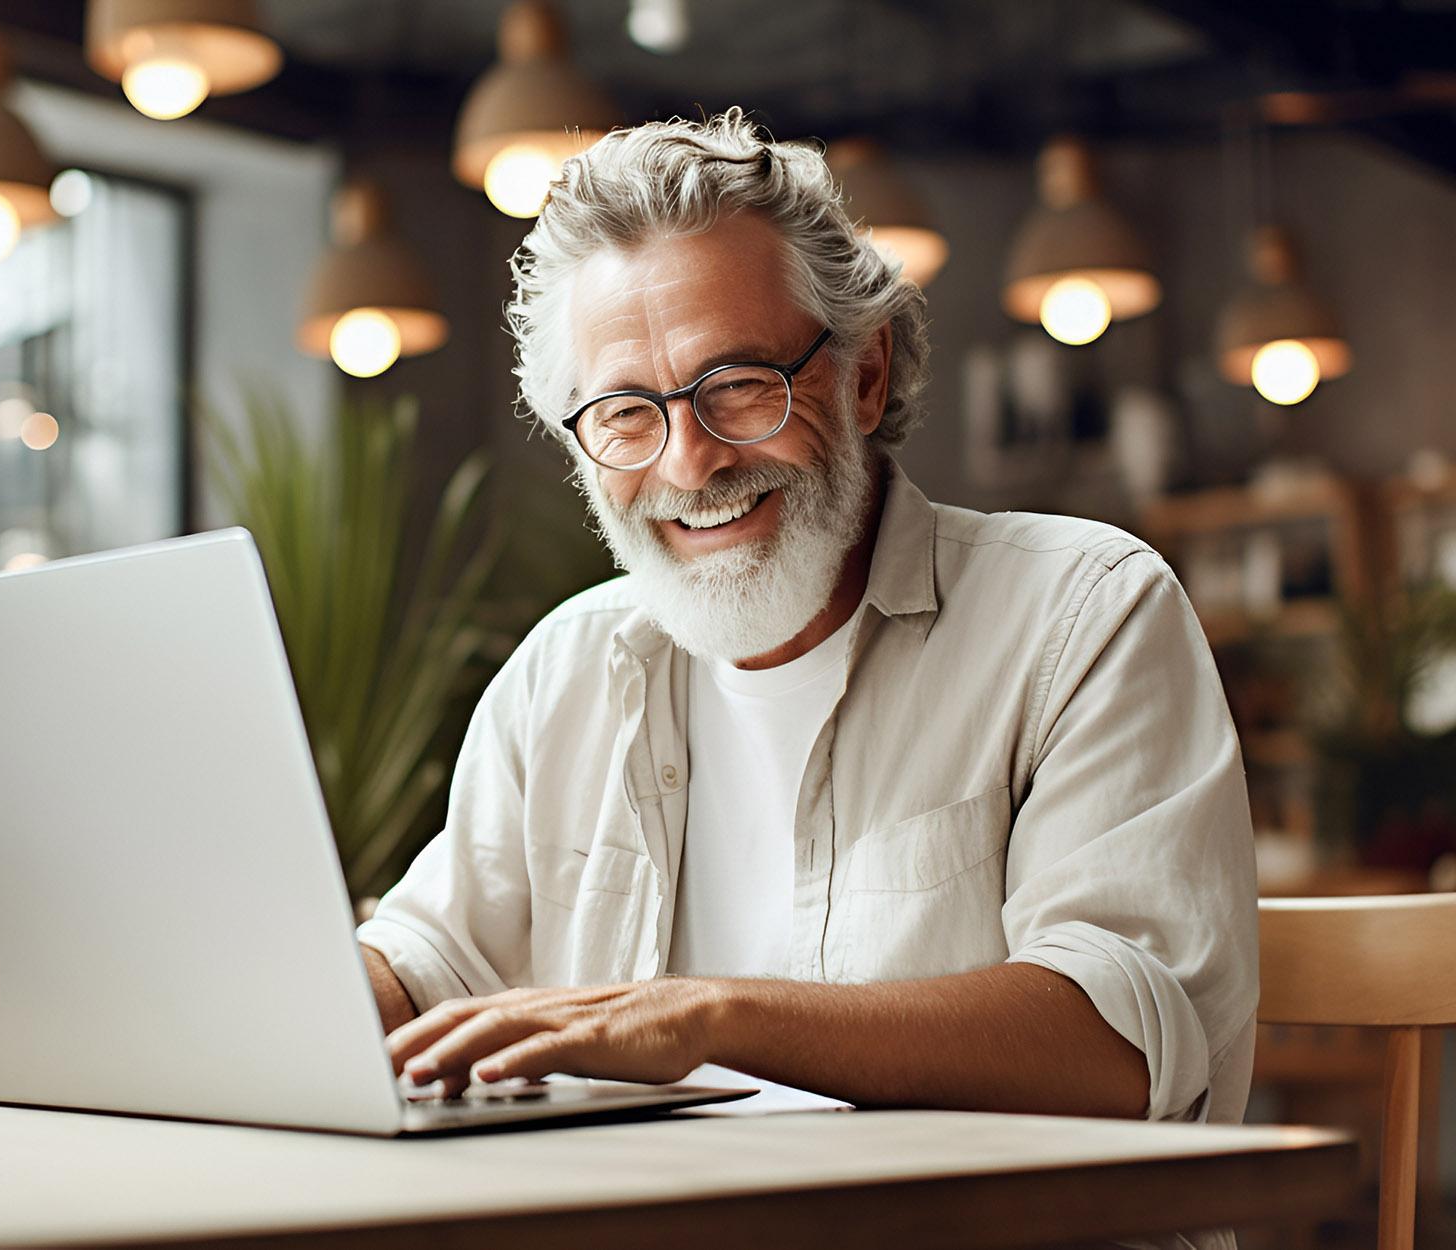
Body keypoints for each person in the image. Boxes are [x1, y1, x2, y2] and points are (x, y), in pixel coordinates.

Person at [355, 112, 1257, 1132]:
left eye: (737, 386)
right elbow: (427, 962)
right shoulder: (561, 670)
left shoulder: (1086, 613)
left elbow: (1118, 1045)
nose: (688, 464)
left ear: (860, 375)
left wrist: (709, 1015)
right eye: (623, 413)